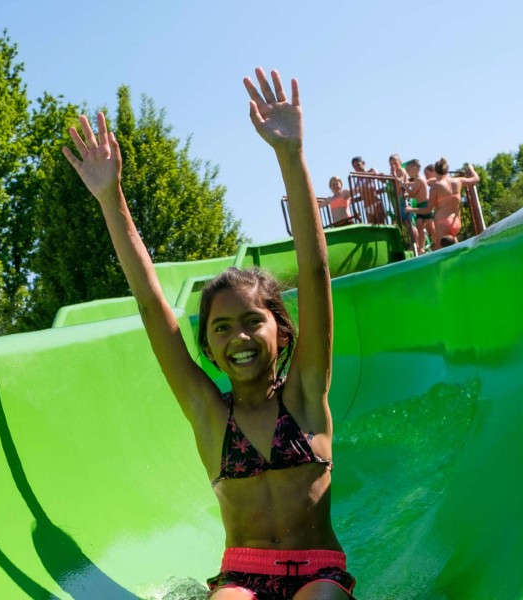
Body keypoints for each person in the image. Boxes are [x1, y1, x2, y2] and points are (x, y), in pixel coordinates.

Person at [63, 67, 355, 600]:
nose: (238, 337)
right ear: (209, 347)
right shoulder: (207, 410)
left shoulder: (308, 391)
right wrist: (111, 198)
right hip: (242, 574)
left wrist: (291, 157)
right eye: (221, 328)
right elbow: (153, 305)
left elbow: (314, 274)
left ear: (281, 332)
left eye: (252, 321)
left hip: (318, 572)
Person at [429, 157, 480, 247]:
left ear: (435, 171)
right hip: (456, 222)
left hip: (442, 221)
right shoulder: (458, 181)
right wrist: (471, 168)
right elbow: (476, 179)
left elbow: (428, 209)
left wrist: (412, 210)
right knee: (453, 244)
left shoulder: (436, 186)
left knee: (443, 248)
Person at [402, 159, 435, 254]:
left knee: (430, 227)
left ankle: (437, 242)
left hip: (425, 204)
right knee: (420, 226)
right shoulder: (417, 180)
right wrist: (407, 186)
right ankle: (421, 248)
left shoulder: (420, 179)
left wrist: (405, 186)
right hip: (420, 204)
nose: (408, 172)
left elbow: (412, 193)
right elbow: (415, 192)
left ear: (415, 168)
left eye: (408, 170)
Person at [389, 154, 417, 245]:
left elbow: (400, 181)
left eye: (395, 163)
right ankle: (414, 242)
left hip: (403, 200)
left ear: (400, 162)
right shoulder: (396, 171)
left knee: (409, 223)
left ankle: (415, 243)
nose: (393, 165)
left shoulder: (401, 170)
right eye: (391, 164)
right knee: (406, 222)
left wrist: (393, 175)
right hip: (399, 200)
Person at [350, 156, 384, 224]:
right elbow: (353, 193)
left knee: (381, 225)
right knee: (372, 230)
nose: (356, 168)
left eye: (358, 165)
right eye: (354, 166)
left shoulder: (371, 171)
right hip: (367, 207)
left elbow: (382, 179)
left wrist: (377, 175)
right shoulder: (357, 180)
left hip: (376, 204)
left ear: (363, 163)